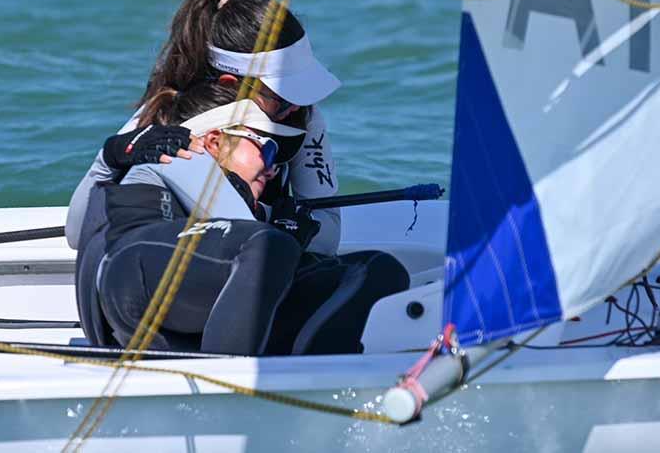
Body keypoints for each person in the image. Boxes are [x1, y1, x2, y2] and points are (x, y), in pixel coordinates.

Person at [75, 82, 409, 355]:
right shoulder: (180, 155)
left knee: (377, 270)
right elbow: (255, 240)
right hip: (130, 279)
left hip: (180, 294)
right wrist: (279, 229)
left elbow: (303, 246)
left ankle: (313, 383)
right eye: (267, 149)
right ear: (215, 140)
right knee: (268, 248)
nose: (274, 166)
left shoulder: (225, 201)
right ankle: (229, 394)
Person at [66, 0, 342, 257]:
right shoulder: (167, 111)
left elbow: (328, 232)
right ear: (230, 83)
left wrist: (281, 227)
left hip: (254, 264)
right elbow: (77, 234)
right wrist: (110, 158)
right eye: (283, 97)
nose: (296, 106)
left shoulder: (304, 115)